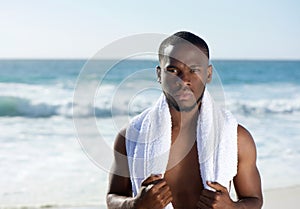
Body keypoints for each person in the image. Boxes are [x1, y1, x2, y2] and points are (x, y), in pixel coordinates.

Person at [106, 31, 263, 209]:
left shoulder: (236, 138)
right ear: (159, 75)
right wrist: (135, 205)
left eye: (194, 70)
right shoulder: (131, 136)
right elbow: (112, 197)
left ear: (208, 74)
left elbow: (254, 199)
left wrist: (232, 208)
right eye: (173, 70)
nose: (184, 80)